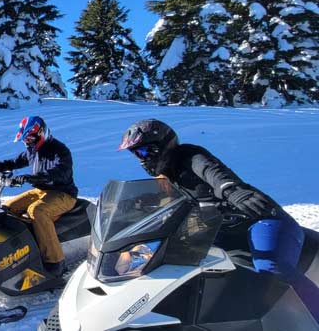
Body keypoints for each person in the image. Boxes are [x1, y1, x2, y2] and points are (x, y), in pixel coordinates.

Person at [120, 119, 319, 323]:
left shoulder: (188, 155)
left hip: (260, 219)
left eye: (145, 151)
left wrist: (230, 189)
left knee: (271, 269)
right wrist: (129, 207)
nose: (142, 158)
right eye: (136, 153)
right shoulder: (167, 179)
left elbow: (211, 171)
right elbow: (164, 204)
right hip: (226, 234)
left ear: (164, 144)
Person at [0, 116, 78, 275]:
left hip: (63, 193)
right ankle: (15, 253)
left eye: (30, 137)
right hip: (40, 190)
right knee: (5, 209)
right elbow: (13, 162)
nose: (28, 142)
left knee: (37, 211)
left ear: (41, 133)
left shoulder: (59, 150)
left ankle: (55, 262)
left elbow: (61, 172)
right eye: (26, 139)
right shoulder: (32, 151)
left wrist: (34, 177)